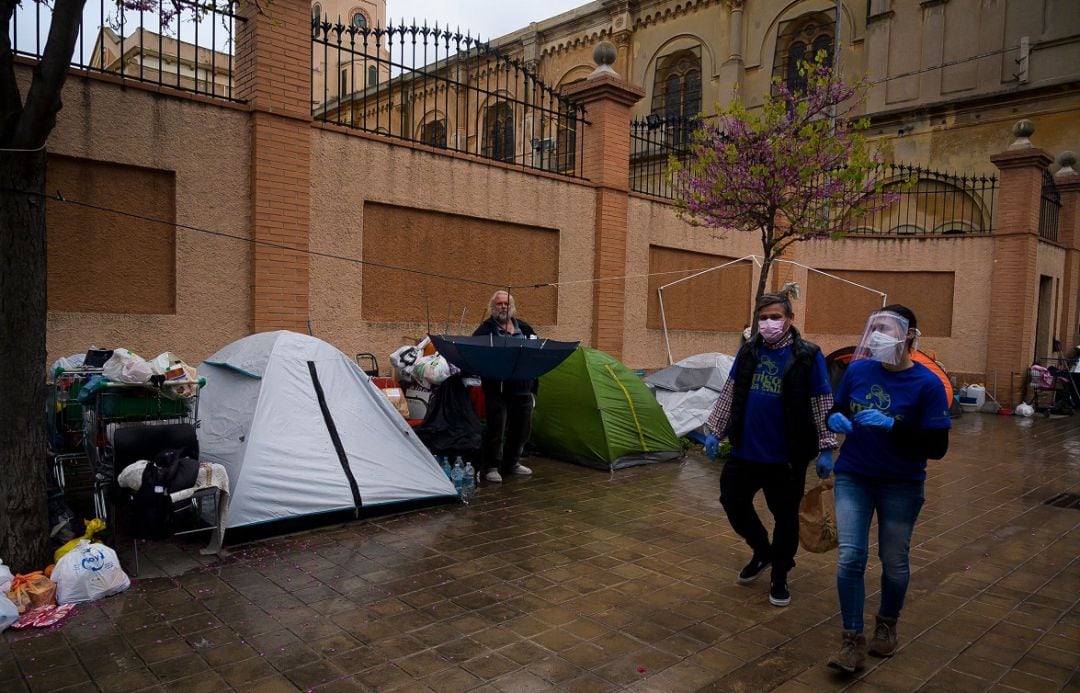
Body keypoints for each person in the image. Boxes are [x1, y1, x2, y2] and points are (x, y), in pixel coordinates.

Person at [822, 305, 950, 673]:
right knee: (850, 557)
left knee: (893, 562)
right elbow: (840, 406)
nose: (876, 335)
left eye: (885, 328)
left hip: (902, 483)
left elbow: (937, 448)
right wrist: (835, 418)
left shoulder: (926, 385)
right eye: (873, 327)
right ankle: (851, 640)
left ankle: (887, 623)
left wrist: (891, 426)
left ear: (908, 335)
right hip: (854, 476)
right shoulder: (859, 369)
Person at [705, 285, 838, 607]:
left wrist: (826, 446)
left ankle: (780, 574)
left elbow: (821, 401)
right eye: (763, 318)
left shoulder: (808, 355)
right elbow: (731, 391)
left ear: (789, 319)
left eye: (775, 317)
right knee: (732, 501)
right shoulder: (749, 351)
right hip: (746, 450)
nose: (768, 323)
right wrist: (714, 429)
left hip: (786, 457)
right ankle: (762, 551)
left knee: (785, 517)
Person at [473, 290, 536, 483]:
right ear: (493, 307)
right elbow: (474, 353)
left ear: (512, 307)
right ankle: (491, 466)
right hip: (497, 388)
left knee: (522, 428)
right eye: (499, 304)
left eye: (506, 304)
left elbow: (536, 353)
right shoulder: (485, 330)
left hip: (523, 387)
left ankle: (512, 463)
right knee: (496, 429)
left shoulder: (524, 329)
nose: (503, 307)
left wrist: (534, 386)